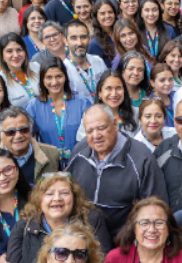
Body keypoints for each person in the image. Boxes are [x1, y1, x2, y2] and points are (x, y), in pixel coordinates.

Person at [68, 104, 168, 242]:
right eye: (90, 131)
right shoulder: (79, 152)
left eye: (101, 128)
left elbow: (156, 207)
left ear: (115, 124)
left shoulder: (141, 158)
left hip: (123, 243)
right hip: (81, 240)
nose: (96, 135)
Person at [5, 171, 111, 263]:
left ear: (74, 197)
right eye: (49, 194)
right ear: (39, 199)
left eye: (64, 193)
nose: (57, 198)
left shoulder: (91, 221)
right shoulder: (23, 227)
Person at [0, 105, 61, 205]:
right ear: (0, 133)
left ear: (31, 130)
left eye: (24, 130)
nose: (18, 136)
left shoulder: (51, 154)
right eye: (10, 132)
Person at [25, 58, 91, 165]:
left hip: (81, 162)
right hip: (50, 165)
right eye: (49, 77)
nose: (54, 82)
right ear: (42, 80)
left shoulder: (82, 103)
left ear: (65, 77)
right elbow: (26, 137)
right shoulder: (33, 107)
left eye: (59, 76)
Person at [62, 20, 107, 100]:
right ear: (66, 41)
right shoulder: (63, 69)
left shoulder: (98, 61)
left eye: (83, 37)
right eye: (74, 38)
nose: (79, 43)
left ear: (89, 39)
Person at [0, 34, 39, 108]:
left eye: (19, 50)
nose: (15, 55)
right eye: (9, 51)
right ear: (2, 55)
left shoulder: (36, 67)